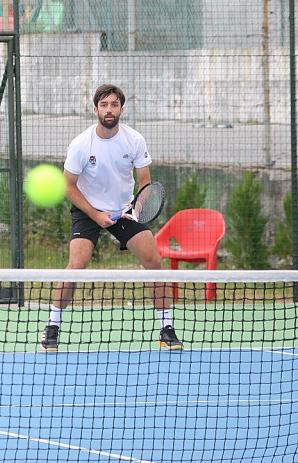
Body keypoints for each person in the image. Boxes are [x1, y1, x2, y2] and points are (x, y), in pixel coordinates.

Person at [40, 84, 183, 353]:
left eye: (114, 105)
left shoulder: (134, 140)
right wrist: (95, 214)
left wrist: (136, 206)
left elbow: (145, 182)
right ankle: (52, 326)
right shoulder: (81, 144)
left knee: (154, 261)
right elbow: (68, 186)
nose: (109, 110)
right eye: (104, 105)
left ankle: (166, 328)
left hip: (124, 209)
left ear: (121, 109)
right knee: (76, 265)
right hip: (87, 209)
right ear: (95, 109)